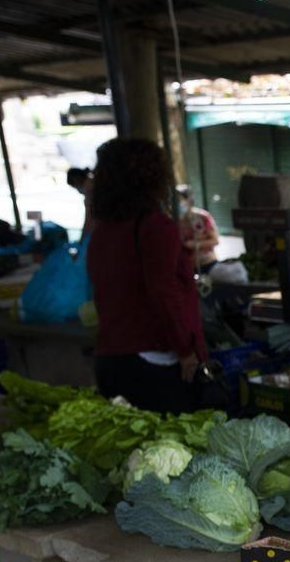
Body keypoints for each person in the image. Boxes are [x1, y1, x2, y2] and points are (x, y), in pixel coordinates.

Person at [85, 138, 205, 413]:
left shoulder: (102, 233)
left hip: (110, 360)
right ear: (152, 178)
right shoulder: (155, 227)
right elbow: (163, 293)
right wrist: (186, 350)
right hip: (153, 362)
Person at [176, 185, 221, 272]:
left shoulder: (202, 217)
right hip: (187, 268)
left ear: (189, 200)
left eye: (179, 200)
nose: (177, 204)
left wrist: (196, 244)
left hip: (208, 264)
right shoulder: (174, 221)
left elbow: (215, 240)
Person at [67, 166, 94, 238]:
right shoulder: (94, 183)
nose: (78, 190)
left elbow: (89, 218)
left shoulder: (90, 190)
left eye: (75, 186)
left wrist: (83, 237)